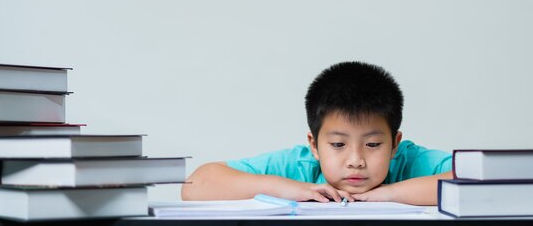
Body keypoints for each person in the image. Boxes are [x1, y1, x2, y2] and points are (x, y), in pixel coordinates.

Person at [181, 61, 452, 205]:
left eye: (372, 144)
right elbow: (196, 185)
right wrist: (290, 189)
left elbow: (483, 179)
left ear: (395, 144)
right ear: (314, 144)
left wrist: (393, 193)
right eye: (337, 144)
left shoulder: (410, 161)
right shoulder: (300, 167)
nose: (355, 160)